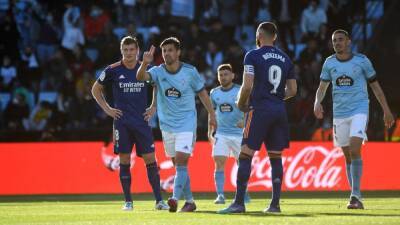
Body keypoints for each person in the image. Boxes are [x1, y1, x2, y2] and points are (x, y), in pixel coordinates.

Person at [218, 22, 297, 214]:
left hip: (259, 109)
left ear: (259, 35)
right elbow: (293, 90)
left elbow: (247, 86)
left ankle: (238, 203)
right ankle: (275, 205)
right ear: (275, 36)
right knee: (276, 157)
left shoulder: (252, 55)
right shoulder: (286, 59)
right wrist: (276, 98)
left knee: (245, 154)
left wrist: (240, 103)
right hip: (279, 111)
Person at [313, 29, 394, 209]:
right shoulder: (329, 63)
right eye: (334, 41)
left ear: (349, 41)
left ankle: (355, 195)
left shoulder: (362, 61)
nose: (337, 43)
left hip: (359, 109)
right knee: (347, 155)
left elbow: (376, 87)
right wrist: (317, 102)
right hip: (339, 113)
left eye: (341, 40)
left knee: (355, 148)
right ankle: (355, 195)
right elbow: (322, 87)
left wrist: (386, 110)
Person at [137, 37, 217, 212]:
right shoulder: (158, 71)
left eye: (170, 50)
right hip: (167, 125)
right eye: (164, 51)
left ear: (178, 52)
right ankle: (190, 202)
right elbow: (141, 76)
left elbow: (203, 94)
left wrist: (212, 115)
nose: (167, 54)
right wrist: (144, 63)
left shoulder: (190, 71)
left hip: (187, 124)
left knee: (181, 162)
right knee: (179, 165)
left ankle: (174, 198)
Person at [91, 36, 169, 211]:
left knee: (150, 159)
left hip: (142, 122)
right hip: (122, 123)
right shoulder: (112, 70)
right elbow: (95, 89)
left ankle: (159, 201)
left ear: (137, 50)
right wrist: (107, 109)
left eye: (132, 49)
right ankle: (128, 202)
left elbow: (157, 85)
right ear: (121, 51)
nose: (128, 53)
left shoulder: (145, 68)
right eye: (125, 50)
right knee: (124, 160)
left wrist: (153, 106)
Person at [208, 64, 250, 204]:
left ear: (232, 76)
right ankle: (220, 195)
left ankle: (243, 194)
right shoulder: (214, 93)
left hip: (239, 134)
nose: (223, 77)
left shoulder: (240, 90)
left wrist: (245, 121)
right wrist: (210, 132)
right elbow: (211, 112)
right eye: (221, 75)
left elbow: (250, 108)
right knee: (219, 163)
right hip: (222, 134)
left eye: (226, 74)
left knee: (242, 164)